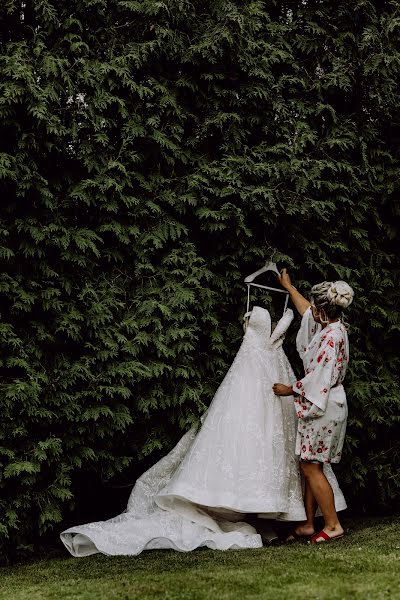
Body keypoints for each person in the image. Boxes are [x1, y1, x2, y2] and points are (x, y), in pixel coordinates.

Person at [273, 269, 354, 543]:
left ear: (323, 309)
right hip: (330, 402)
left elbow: (319, 376)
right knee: (312, 464)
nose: (311, 312)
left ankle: (332, 525)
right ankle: (309, 524)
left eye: (315, 307)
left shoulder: (331, 338)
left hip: (324, 403)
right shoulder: (334, 326)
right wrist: (288, 287)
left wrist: (289, 390)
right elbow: (305, 308)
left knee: (310, 466)